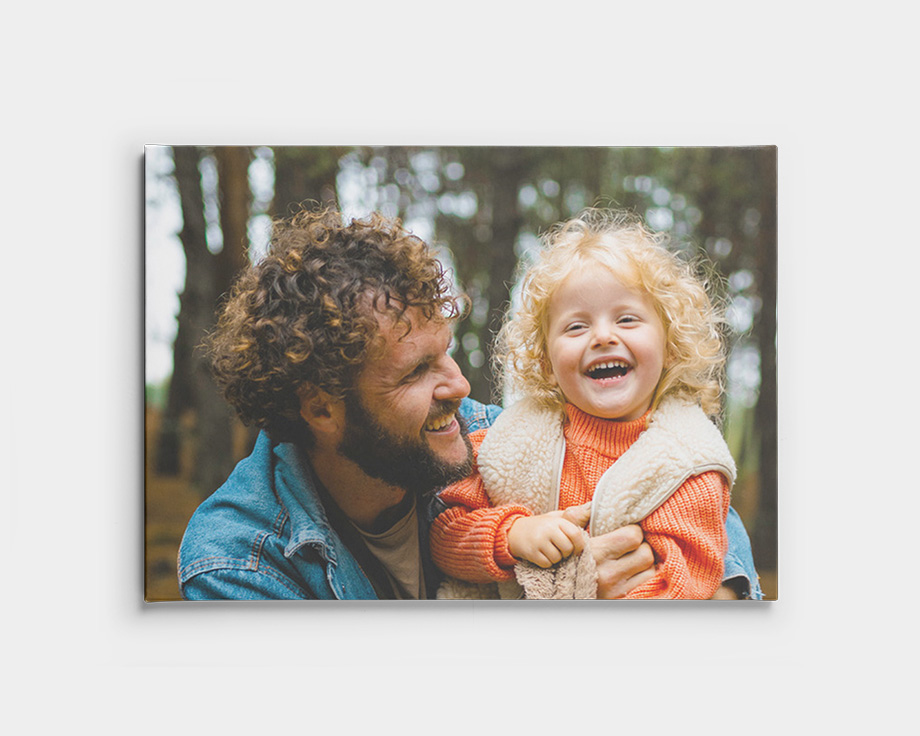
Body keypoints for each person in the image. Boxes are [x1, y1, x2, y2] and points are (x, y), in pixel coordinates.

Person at [178, 207, 761, 600]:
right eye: (416, 371)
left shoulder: (491, 438)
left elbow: (678, 479)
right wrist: (568, 592)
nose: (459, 386)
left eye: (447, 353)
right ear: (321, 409)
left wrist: (726, 592)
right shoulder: (237, 563)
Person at [431, 209, 759, 599]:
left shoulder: (688, 467)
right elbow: (444, 533)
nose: (603, 336)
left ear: (669, 347)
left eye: (627, 319)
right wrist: (511, 535)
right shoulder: (508, 442)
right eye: (576, 326)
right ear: (545, 362)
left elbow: (685, 587)